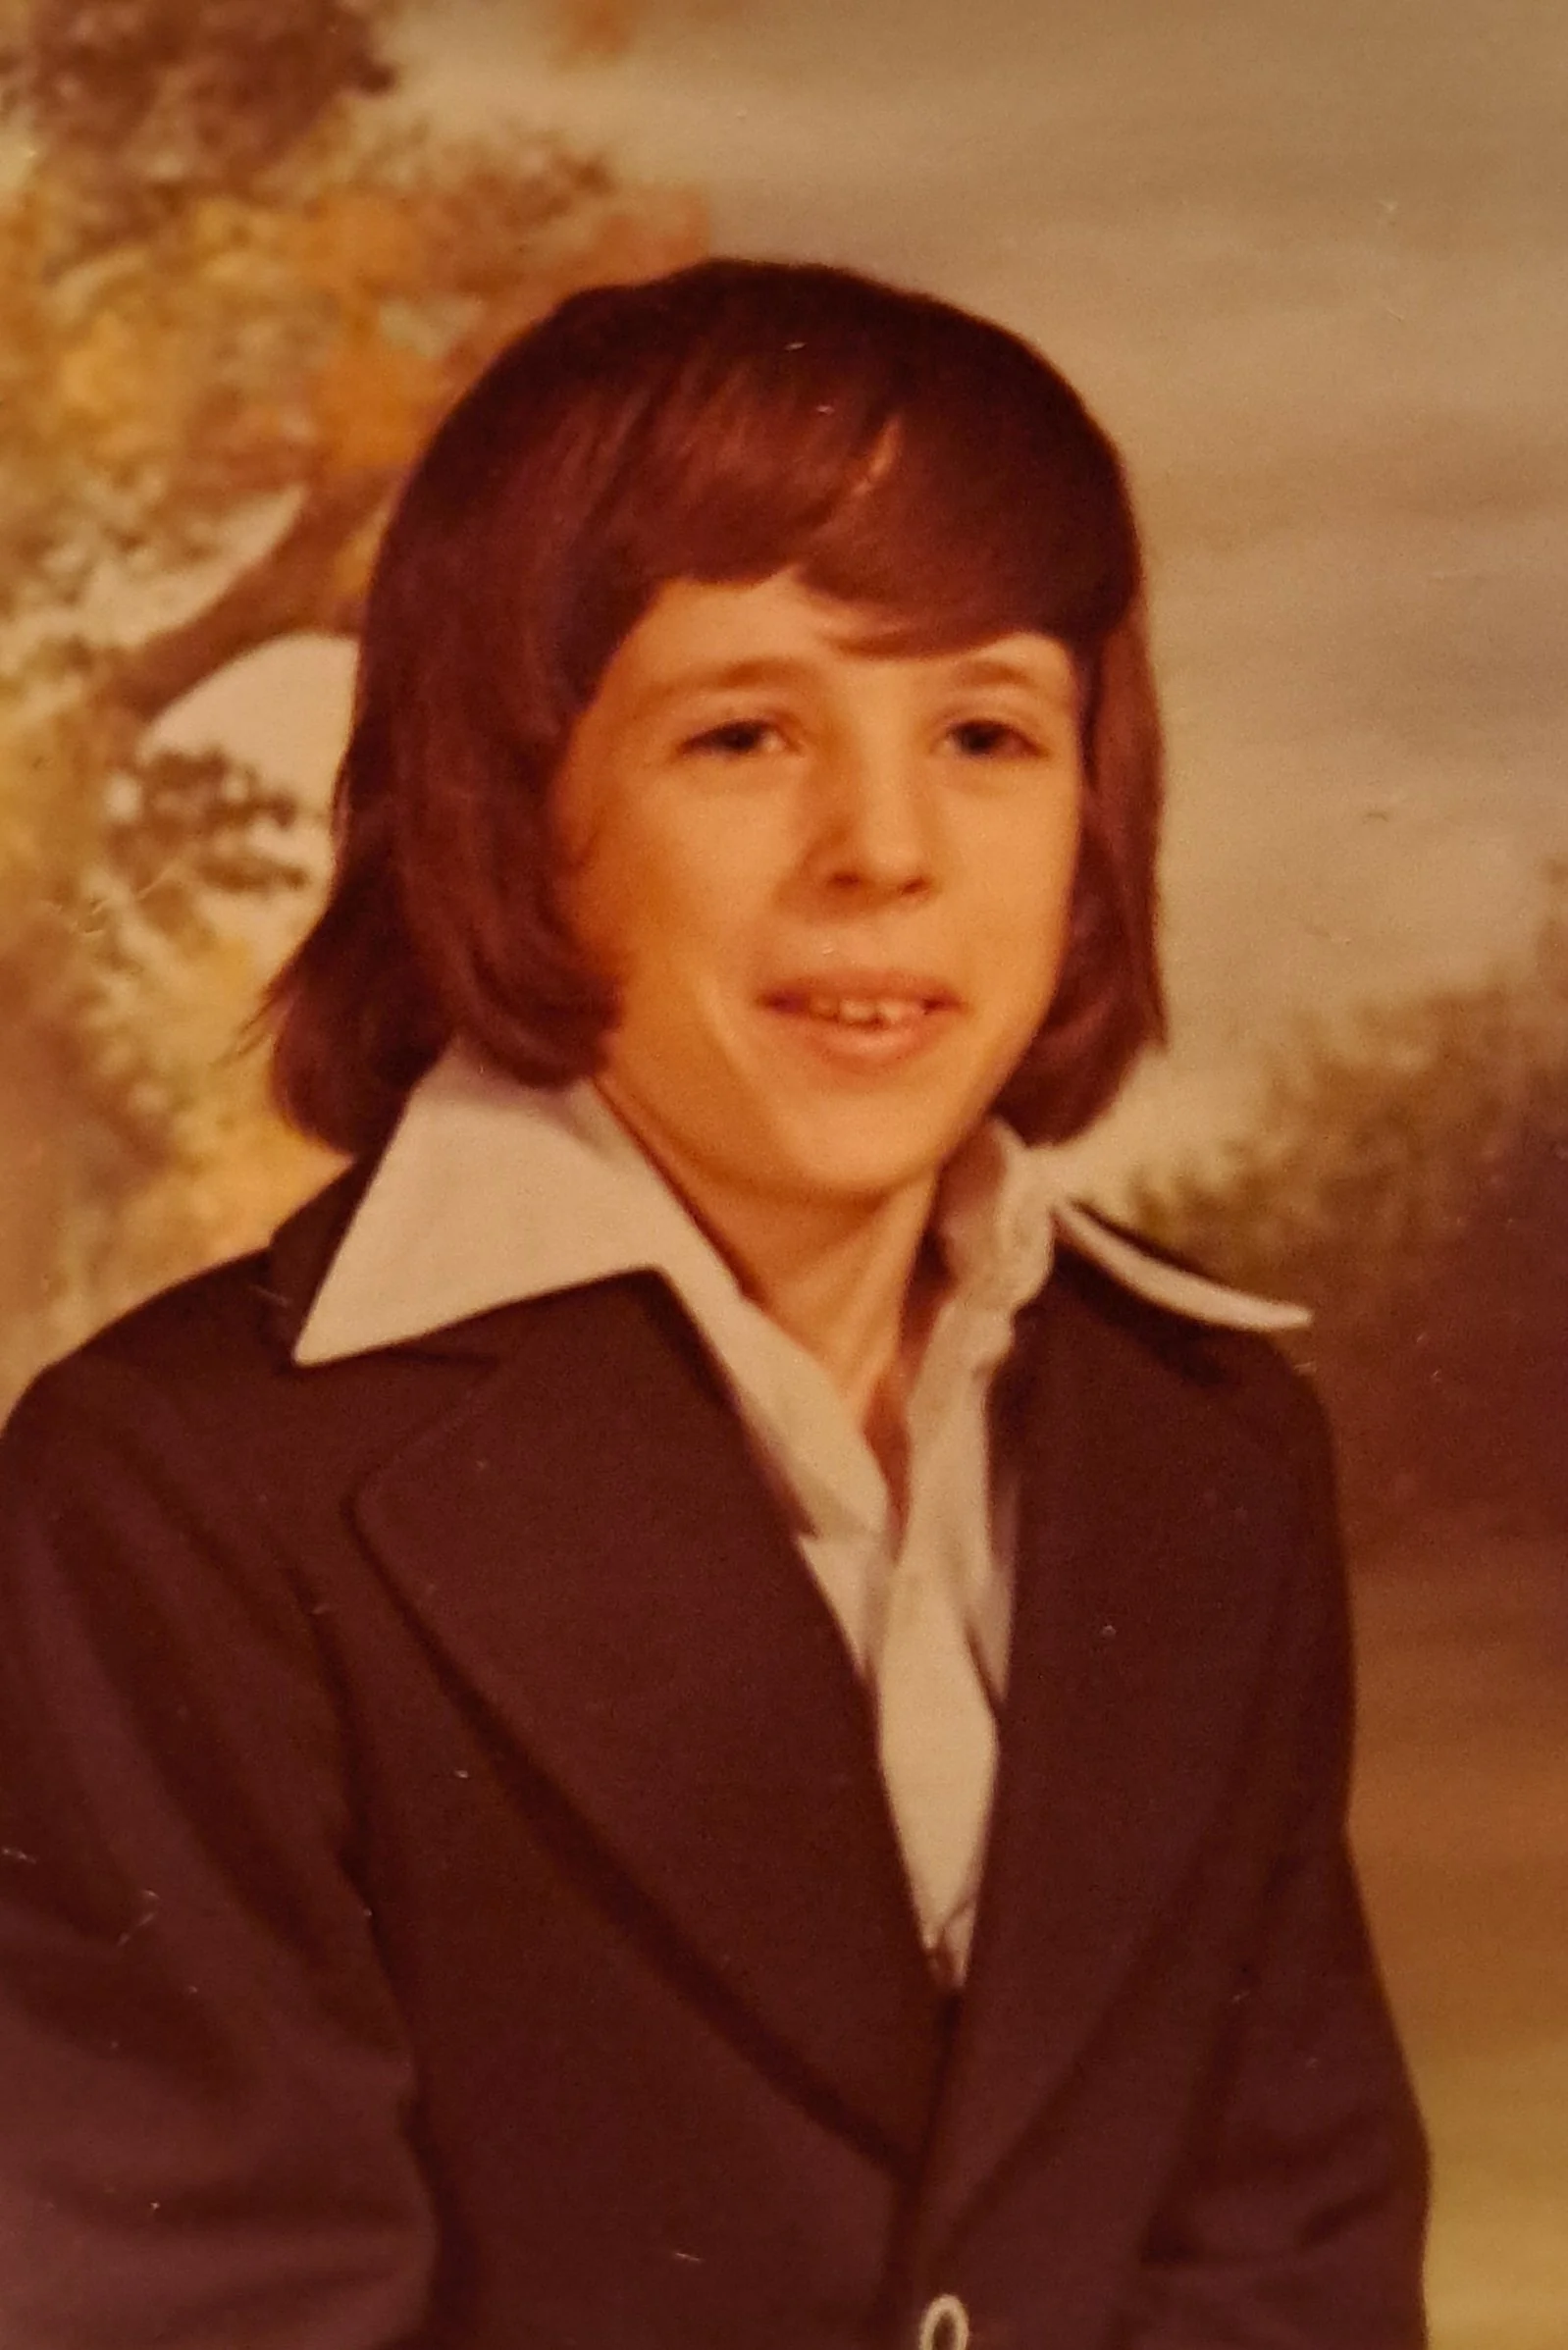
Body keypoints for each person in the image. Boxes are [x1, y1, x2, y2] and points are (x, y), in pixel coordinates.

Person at [0, 258, 1427, 2350]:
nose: (886, 849)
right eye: (745, 731)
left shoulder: (1200, 1438)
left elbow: (1283, 2264)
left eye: (985, 730)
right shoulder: (174, 1503)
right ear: (513, 804)